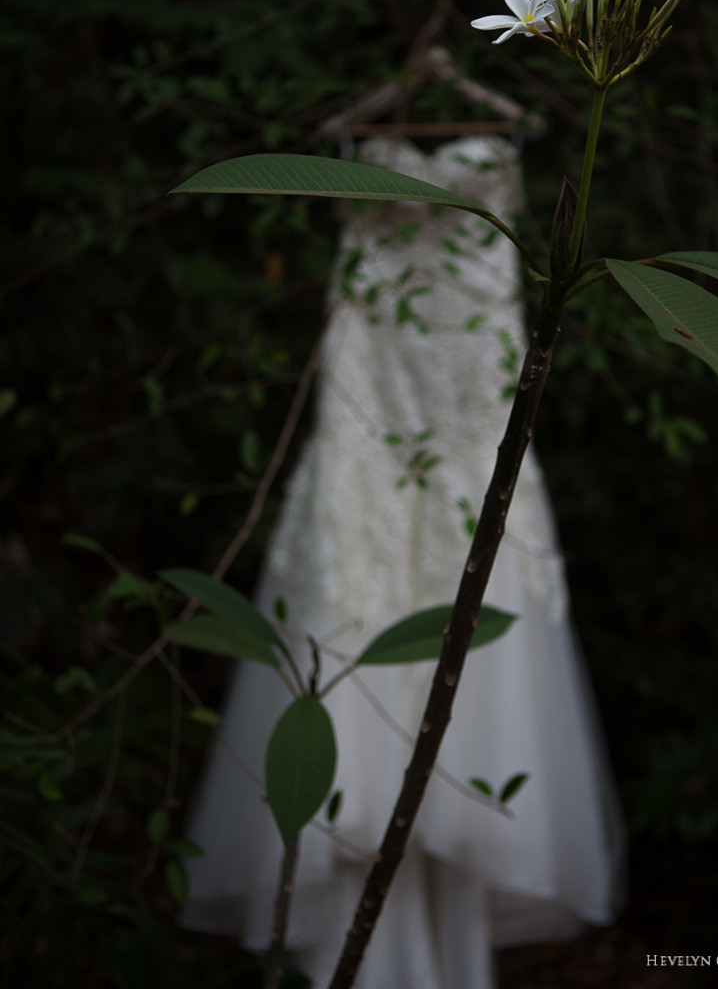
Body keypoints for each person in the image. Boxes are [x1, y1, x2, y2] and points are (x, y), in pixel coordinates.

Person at [180, 135, 625, 989]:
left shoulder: (493, 167)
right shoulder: (363, 163)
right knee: (357, 616)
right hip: (367, 458)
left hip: (470, 450)